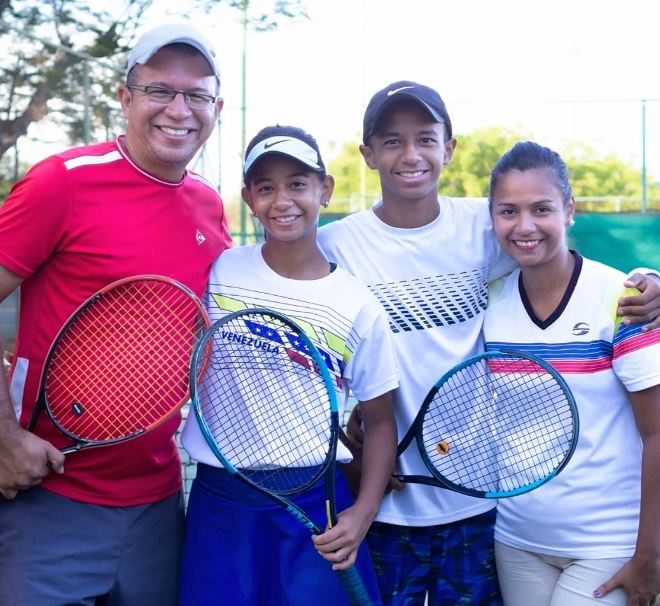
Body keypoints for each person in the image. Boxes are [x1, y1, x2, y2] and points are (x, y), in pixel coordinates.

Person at [317, 80, 660, 605]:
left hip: (480, 511)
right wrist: (348, 429)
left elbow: (555, 252)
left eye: (426, 138)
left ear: (448, 148)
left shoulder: (484, 223)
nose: (411, 155)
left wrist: (649, 278)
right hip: (385, 506)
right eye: (391, 140)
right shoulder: (334, 244)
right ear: (368, 154)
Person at [0, 23, 232, 605]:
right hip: (48, 499)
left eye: (196, 95)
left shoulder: (208, 206)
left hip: (158, 507)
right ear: (125, 98)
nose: (179, 109)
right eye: (159, 90)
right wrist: (0, 434)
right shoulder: (62, 183)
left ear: (216, 108)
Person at [178, 125, 399, 606]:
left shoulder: (358, 305)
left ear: (326, 189)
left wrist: (362, 513)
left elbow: (382, 422)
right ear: (249, 199)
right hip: (221, 502)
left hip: (317, 501)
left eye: (298, 183)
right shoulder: (219, 271)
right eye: (266, 187)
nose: (283, 200)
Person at [483, 141, 660, 606]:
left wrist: (649, 553)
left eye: (541, 208)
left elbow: (657, 435)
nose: (524, 226)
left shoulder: (624, 299)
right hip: (517, 539)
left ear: (569, 210)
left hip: (609, 545)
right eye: (508, 211)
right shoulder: (490, 302)